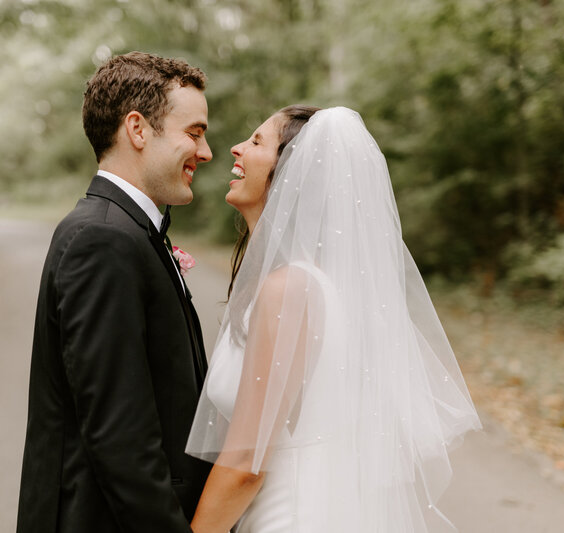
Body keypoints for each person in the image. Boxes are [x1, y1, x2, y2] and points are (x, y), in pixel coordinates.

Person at [186, 106, 482, 532]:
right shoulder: (311, 285)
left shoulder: (289, 290)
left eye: (255, 142)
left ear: (290, 174)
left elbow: (246, 464)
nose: (235, 148)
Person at [16, 52, 213, 533]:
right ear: (139, 129)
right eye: (194, 132)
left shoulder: (126, 229)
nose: (206, 152)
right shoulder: (103, 239)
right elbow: (118, 434)